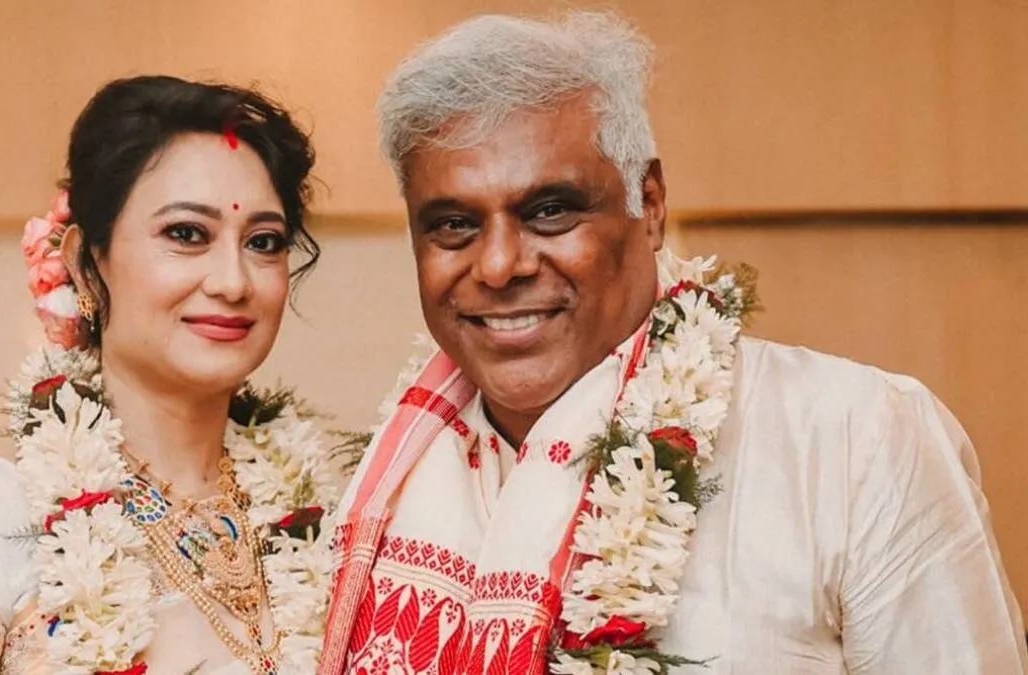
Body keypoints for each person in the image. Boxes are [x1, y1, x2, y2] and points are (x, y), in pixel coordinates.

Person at [320, 12, 1027, 675]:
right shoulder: (373, 491)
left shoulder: (853, 439)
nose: (500, 265)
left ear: (649, 203)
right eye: (453, 225)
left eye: (550, 211)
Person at [0, 75, 352, 674]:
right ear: (87, 265)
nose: (233, 281)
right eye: (186, 234)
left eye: (264, 242)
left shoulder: (336, 524)